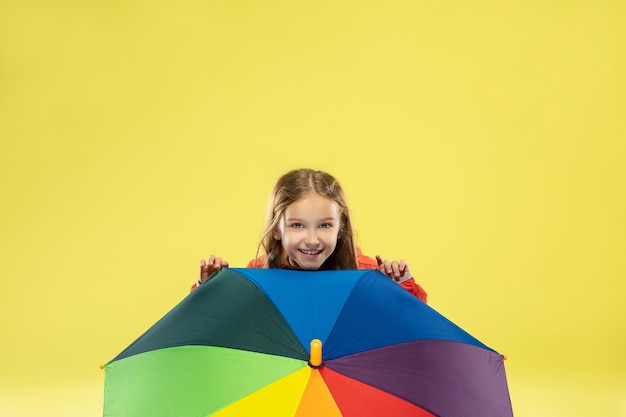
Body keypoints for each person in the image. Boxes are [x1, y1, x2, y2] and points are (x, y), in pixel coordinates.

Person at [191, 168, 427, 303]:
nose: (312, 239)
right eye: (297, 226)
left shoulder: (364, 272)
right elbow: (220, 325)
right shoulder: (260, 275)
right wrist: (210, 289)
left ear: (341, 227)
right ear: (276, 229)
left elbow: (411, 330)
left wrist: (400, 288)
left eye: (324, 226)